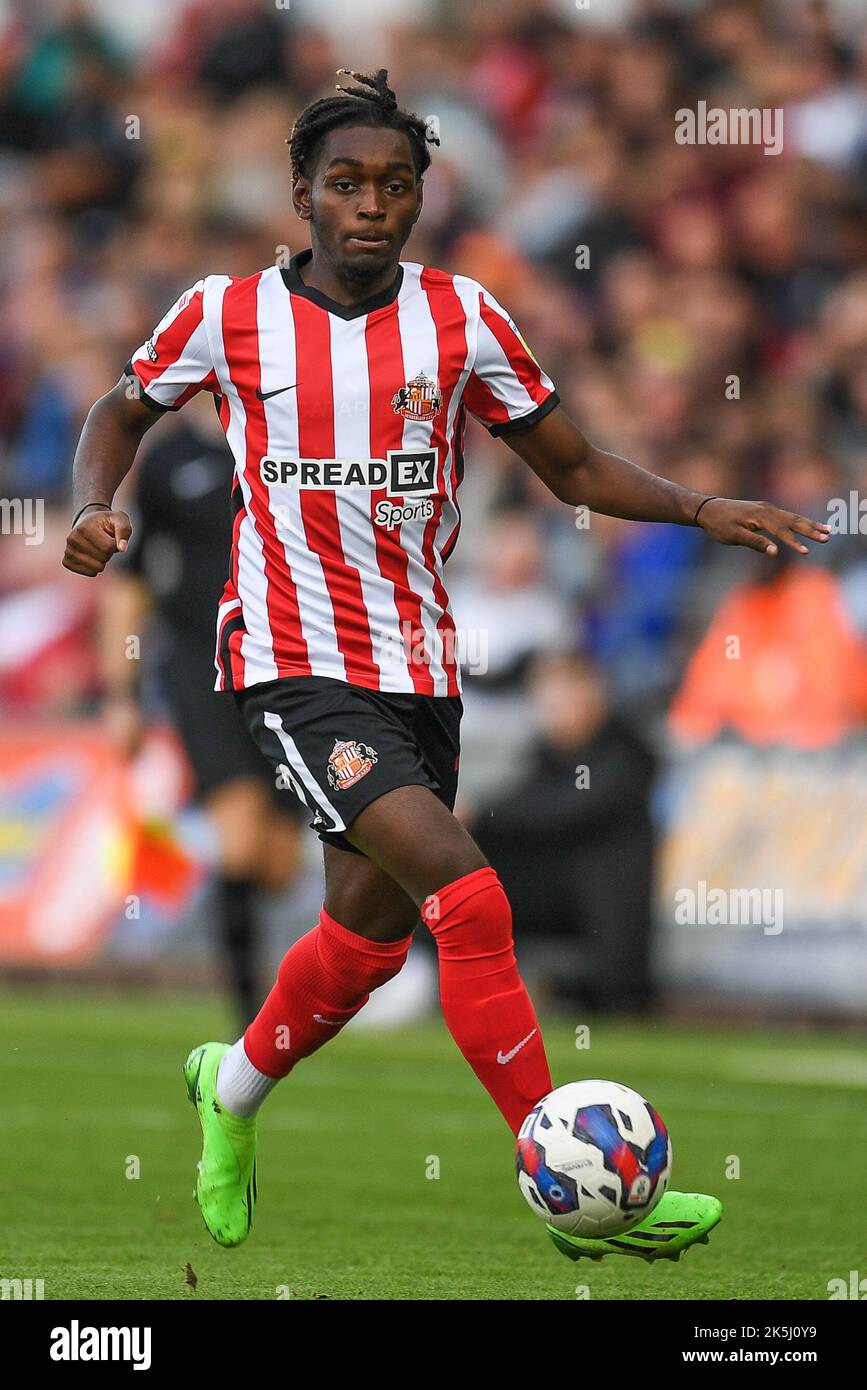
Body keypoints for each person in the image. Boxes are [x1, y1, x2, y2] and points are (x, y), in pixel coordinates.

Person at [62, 69, 829, 1264]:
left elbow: (571, 467)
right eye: (348, 184)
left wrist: (700, 504)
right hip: (291, 660)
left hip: (422, 667)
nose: (373, 205)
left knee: (365, 941)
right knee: (467, 897)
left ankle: (233, 1091)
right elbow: (119, 407)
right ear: (302, 194)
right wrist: (91, 505)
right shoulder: (228, 313)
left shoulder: (465, 320)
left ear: (423, 196)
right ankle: (570, 1172)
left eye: (397, 185)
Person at [99, 393, 306, 1032]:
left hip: (293, 664)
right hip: (203, 667)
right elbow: (130, 583)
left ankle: (279, 999)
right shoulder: (168, 461)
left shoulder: (289, 445)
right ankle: (251, 1024)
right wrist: (122, 694)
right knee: (240, 843)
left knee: (278, 864)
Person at [467, 649, 656, 1015]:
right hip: (556, 898)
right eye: (545, 704)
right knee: (461, 880)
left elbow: (562, 812)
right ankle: (441, 981)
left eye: (560, 701)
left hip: (606, 917)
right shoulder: (548, 757)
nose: (551, 714)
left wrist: (480, 815)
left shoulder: (625, 753)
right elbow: (524, 803)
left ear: (591, 693)